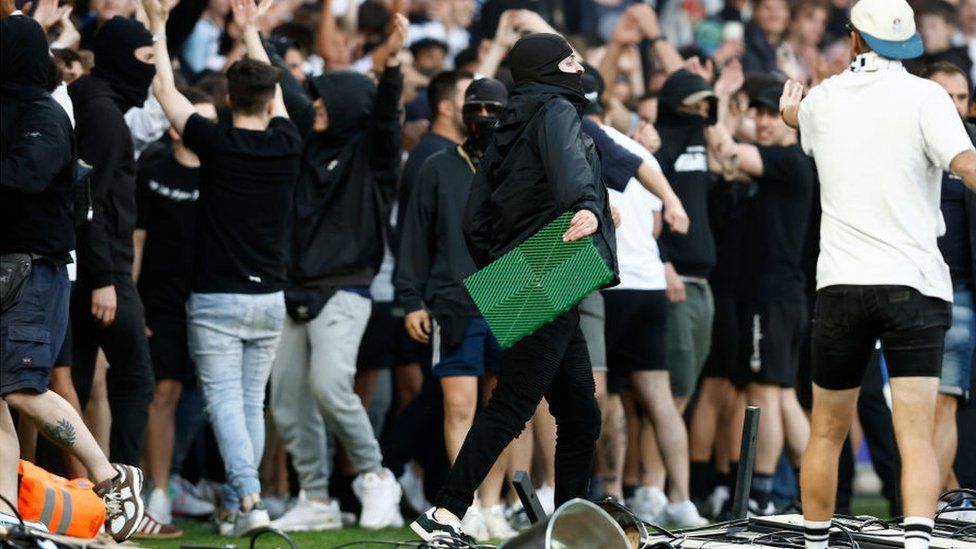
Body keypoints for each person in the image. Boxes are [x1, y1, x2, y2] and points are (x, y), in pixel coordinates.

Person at [778, 0, 976, 546]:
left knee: (826, 431)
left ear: (854, 39)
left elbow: (799, 119)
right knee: (915, 434)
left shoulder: (822, 101)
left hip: (840, 284)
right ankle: (916, 540)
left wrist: (788, 109)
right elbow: (965, 164)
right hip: (915, 284)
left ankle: (816, 540)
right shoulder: (929, 97)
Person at [411, 32, 617, 541]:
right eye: (569, 59)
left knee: (580, 413)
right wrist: (586, 206)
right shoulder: (555, 110)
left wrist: (501, 264)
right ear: (549, 69)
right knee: (513, 404)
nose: (579, 66)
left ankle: (570, 526)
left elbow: (475, 215)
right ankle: (445, 513)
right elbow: (571, 165)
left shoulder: (512, 119)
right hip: (551, 263)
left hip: (531, 267)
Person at [141, 0, 303, 536]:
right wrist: (254, 32)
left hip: (217, 299)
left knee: (227, 404)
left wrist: (160, 25)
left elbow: (165, 92)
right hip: (268, 299)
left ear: (230, 100)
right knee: (247, 404)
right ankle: (239, 504)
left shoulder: (217, 141)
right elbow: (272, 90)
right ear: (269, 97)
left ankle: (249, 499)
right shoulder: (287, 141)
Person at [0, 14, 144, 543]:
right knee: (0, 393)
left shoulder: (44, 113)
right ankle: (5, 515)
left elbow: (26, 175)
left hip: (36, 270)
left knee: (21, 386)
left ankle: (110, 478)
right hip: (8, 268)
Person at [267, 13, 408, 533]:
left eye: (325, 96)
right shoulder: (305, 144)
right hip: (293, 290)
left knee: (330, 387)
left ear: (348, 105)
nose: (317, 104)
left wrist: (391, 63)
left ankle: (376, 480)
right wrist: (259, 41)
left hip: (346, 289)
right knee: (285, 402)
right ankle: (317, 497)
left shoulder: (373, 161)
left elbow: (387, 116)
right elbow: (287, 89)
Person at [577, 70, 704, 527]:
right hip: (648, 283)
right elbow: (653, 225)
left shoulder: (573, 137)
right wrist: (672, 203)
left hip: (603, 282)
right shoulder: (629, 145)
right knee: (659, 397)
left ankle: (612, 493)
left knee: (605, 394)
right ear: (606, 105)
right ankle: (681, 498)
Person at [397, 77, 517, 541]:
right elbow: (414, 239)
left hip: (512, 296)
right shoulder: (436, 167)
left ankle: (493, 505)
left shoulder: (519, 169)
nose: (484, 115)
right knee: (460, 405)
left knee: (503, 408)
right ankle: (464, 505)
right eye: (477, 106)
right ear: (461, 113)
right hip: (452, 300)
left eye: (494, 107)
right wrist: (412, 300)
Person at [709, 81, 815, 515]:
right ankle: (816, 490)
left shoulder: (789, 160)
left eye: (773, 113)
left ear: (790, 119)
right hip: (782, 296)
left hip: (772, 297)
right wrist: (730, 125)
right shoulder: (781, 163)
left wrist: (717, 111)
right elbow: (727, 165)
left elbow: (731, 155)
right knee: (783, 395)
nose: (765, 121)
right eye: (759, 113)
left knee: (765, 394)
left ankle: (759, 495)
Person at [67, 14, 156, 468]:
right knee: (136, 380)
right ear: (122, 59)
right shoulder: (103, 114)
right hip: (103, 271)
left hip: (84, 268)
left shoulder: (89, 100)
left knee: (74, 382)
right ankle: (126, 495)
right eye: (145, 59)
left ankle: (67, 497)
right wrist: (104, 276)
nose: (152, 70)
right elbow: (89, 202)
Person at [132, 88, 218, 532]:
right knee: (162, 393)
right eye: (194, 119)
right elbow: (138, 240)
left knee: (209, 398)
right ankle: (160, 490)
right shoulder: (153, 168)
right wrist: (132, 302)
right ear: (173, 126)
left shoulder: (226, 172)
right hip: (160, 302)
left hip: (213, 301)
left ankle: (186, 479)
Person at [924, 61, 976, 498]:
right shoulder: (902, 148)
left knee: (942, 402)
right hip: (906, 288)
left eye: (962, 98)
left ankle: (931, 510)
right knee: (912, 411)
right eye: (946, 96)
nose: (956, 107)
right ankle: (951, 500)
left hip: (959, 294)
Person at [654, 68, 719, 412]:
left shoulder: (702, 141)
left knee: (683, 392)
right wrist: (663, 263)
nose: (700, 116)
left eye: (705, 108)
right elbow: (643, 207)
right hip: (673, 280)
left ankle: (656, 469)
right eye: (692, 107)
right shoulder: (656, 143)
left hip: (701, 282)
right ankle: (649, 470)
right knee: (670, 394)